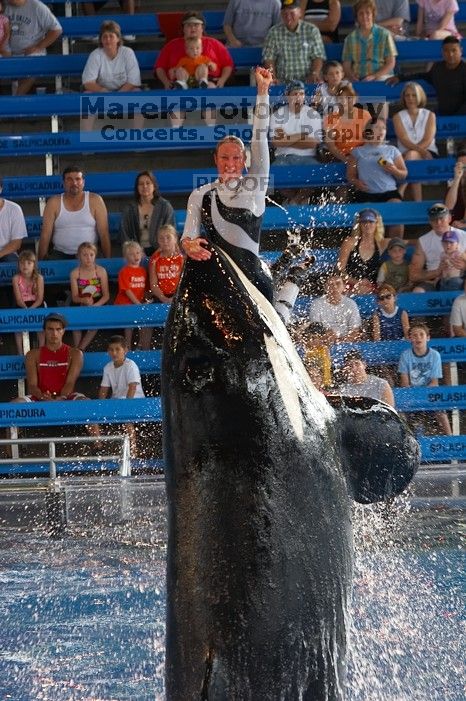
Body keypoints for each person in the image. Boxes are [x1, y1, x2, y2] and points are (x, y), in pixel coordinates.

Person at [181, 67, 275, 303]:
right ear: (215, 159)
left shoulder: (255, 184)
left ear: (245, 161)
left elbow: (260, 135)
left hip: (255, 281)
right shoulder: (200, 194)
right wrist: (189, 246)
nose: (230, 163)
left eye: (236, 158)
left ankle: (291, 286)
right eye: (224, 158)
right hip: (221, 282)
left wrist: (262, 92)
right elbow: (188, 236)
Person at [346, 118, 407, 239]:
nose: (381, 131)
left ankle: (395, 249)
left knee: (397, 210)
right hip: (366, 194)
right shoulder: (357, 152)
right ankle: (370, 252)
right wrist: (356, 182)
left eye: (383, 128)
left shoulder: (392, 150)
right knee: (368, 217)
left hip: (389, 193)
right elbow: (350, 176)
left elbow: (403, 174)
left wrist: (394, 170)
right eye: (377, 128)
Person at [39, 166, 111, 260]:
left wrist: (108, 261)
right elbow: (45, 235)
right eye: (69, 179)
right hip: (60, 254)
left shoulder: (95, 200)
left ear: (83, 182)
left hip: (89, 254)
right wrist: (40, 265)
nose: (74, 183)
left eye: (78, 179)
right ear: (64, 183)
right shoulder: (53, 202)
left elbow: (104, 234)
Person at [11, 313, 85, 403]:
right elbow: (32, 385)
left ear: (63, 331)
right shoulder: (32, 355)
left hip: (67, 396)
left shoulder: (75, 354)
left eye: (58, 329)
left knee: (86, 402)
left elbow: (70, 382)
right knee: (16, 403)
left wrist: (62, 397)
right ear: (44, 331)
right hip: (40, 397)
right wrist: (42, 397)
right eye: (50, 329)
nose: (54, 333)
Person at [89, 334, 145, 454]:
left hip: (134, 400)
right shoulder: (107, 367)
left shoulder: (131, 365)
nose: (114, 352)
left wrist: (126, 406)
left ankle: (133, 450)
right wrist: (100, 407)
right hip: (117, 401)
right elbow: (104, 390)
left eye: (117, 349)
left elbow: (132, 387)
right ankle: (99, 446)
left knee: (127, 420)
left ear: (125, 350)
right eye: (111, 349)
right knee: (90, 414)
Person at [154, 12, 234, 90]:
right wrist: (166, 82)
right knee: (175, 91)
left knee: (211, 88)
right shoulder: (171, 45)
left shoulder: (215, 43)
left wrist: (222, 80)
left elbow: (227, 64)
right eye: (189, 25)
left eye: (196, 25)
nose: (193, 28)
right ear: (183, 28)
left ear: (202, 28)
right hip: (180, 82)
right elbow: (160, 67)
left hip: (208, 81)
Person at [388, 36, 466, 116]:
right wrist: (401, 78)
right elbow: (421, 75)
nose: (450, 54)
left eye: (454, 50)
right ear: (442, 52)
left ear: (460, 51)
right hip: (442, 115)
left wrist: (456, 119)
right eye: (446, 51)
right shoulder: (438, 68)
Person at [398, 321, 452, 435]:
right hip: (411, 393)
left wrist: (422, 396)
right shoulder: (405, 355)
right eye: (414, 335)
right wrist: (415, 396)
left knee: (441, 412)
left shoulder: (435, 355)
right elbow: (405, 383)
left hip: (429, 393)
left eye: (421, 334)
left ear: (428, 338)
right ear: (410, 339)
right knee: (400, 414)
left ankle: (451, 439)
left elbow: (434, 383)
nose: (418, 338)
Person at [392, 82, 438, 202]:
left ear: (420, 96)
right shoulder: (397, 116)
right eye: (407, 95)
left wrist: (420, 151)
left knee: (412, 156)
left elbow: (428, 139)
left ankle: (403, 187)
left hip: (428, 152)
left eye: (414, 95)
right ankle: (418, 202)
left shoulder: (430, 115)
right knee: (412, 156)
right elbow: (403, 139)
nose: (410, 98)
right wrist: (419, 151)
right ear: (404, 97)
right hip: (404, 155)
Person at [5, 0, 62, 95]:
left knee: (34, 62)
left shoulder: (37, 6)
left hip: (31, 50)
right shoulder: (3, 5)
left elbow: (57, 30)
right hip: (7, 50)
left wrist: (38, 46)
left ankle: (15, 100)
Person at [262, 0, 326, 84]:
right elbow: (269, 58)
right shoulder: (274, 32)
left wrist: (314, 73)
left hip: (308, 81)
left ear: (300, 12)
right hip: (283, 83)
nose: (288, 17)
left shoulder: (311, 30)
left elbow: (318, 56)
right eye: (285, 14)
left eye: (292, 13)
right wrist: (273, 77)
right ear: (281, 14)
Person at [409, 202, 466, 291]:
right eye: (434, 219)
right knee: (418, 292)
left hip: (460, 277)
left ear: (449, 218)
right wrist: (437, 272)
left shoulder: (463, 236)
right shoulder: (423, 241)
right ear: (429, 221)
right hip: (433, 280)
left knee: (455, 283)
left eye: (441, 218)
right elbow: (413, 275)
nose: (438, 222)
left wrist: (464, 266)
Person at [120, 171, 175, 258]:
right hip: (136, 252)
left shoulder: (165, 207)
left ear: (154, 186)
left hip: (161, 250)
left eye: (148, 183)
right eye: (141, 184)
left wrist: (159, 252)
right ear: (137, 188)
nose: (144, 186)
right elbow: (124, 234)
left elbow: (170, 231)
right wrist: (136, 251)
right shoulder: (129, 209)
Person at [270, 80, 322, 168]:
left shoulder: (313, 114)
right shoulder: (277, 115)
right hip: (283, 158)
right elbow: (276, 142)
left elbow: (313, 143)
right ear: (287, 95)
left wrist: (287, 139)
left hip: (308, 158)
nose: (298, 97)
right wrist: (302, 135)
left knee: (318, 171)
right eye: (295, 94)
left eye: (301, 94)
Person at [342, 0, 397, 82]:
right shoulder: (350, 38)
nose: (364, 16)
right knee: (344, 86)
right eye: (361, 13)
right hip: (358, 77)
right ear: (356, 17)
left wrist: (375, 76)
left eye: (368, 13)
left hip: (381, 76)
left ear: (373, 14)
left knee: (382, 81)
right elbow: (346, 65)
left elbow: (391, 63)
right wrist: (352, 77)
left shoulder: (384, 34)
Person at [70, 242, 110, 351]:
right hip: (80, 301)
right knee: (76, 325)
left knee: (94, 323)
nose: (88, 258)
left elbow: (106, 296)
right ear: (79, 256)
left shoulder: (100, 271)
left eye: (91, 255)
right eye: (85, 255)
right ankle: (78, 349)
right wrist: (83, 300)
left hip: (97, 301)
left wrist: (95, 305)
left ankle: (80, 349)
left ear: (95, 255)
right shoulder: (75, 273)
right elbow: (74, 297)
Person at [81, 20, 141, 93]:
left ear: (118, 38)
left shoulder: (128, 53)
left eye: (111, 36)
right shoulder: (95, 55)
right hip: (102, 93)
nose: (108, 39)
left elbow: (133, 81)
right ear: (101, 40)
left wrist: (118, 95)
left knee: (136, 91)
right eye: (105, 36)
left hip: (124, 92)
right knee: (87, 93)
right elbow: (88, 83)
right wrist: (107, 94)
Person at [337, 207, 385, 294]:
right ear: (359, 224)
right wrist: (357, 283)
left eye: (371, 222)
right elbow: (340, 271)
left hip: (373, 288)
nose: (367, 224)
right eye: (364, 222)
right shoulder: (350, 242)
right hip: (351, 285)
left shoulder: (381, 244)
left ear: (377, 223)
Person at [322, 83, 372, 163]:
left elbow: (369, 140)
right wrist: (345, 159)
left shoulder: (365, 115)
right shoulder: (330, 118)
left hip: (362, 155)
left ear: (355, 99)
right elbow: (330, 145)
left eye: (349, 98)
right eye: (340, 98)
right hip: (339, 156)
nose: (344, 101)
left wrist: (360, 157)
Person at [308, 270, 362, 343]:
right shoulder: (317, 304)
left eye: (338, 283)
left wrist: (340, 341)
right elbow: (315, 331)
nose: (334, 287)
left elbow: (355, 331)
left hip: (346, 343)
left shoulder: (351, 304)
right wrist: (327, 337)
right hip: (324, 342)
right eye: (330, 284)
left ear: (344, 286)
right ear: (325, 287)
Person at [114, 240, 148, 349]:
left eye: (137, 253)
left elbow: (145, 289)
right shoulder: (124, 271)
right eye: (132, 254)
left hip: (138, 304)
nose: (135, 256)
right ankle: (127, 346)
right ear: (126, 257)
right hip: (125, 304)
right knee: (129, 325)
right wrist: (138, 303)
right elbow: (127, 290)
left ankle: (141, 345)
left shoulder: (143, 271)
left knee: (144, 321)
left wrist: (146, 300)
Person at [12, 250, 45, 355]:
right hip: (22, 305)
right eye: (22, 263)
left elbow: (40, 299)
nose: (25, 266)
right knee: (17, 327)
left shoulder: (39, 278)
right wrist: (25, 309)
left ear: (34, 265)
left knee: (41, 327)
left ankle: (42, 350)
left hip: (36, 304)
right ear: (18, 265)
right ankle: (20, 352)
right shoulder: (16, 278)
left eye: (29, 263)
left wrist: (31, 309)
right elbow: (18, 299)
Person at [148, 225, 184, 305]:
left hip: (178, 295)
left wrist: (176, 297)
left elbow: (184, 283)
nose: (165, 241)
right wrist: (164, 299)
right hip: (160, 296)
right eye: (161, 238)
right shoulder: (154, 260)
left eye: (168, 237)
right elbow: (153, 285)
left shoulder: (181, 259)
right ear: (157, 240)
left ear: (175, 239)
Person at [0, 182, 27, 262]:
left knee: (11, 261)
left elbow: (16, 243)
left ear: (1, 189)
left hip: (7, 253)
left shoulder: (14, 209)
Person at [445, 146, 466, 227]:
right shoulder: (453, 181)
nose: (464, 168)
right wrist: (457, 178)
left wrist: (464, 224)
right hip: (455, 224)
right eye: (461, 165)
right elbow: (448, 206)